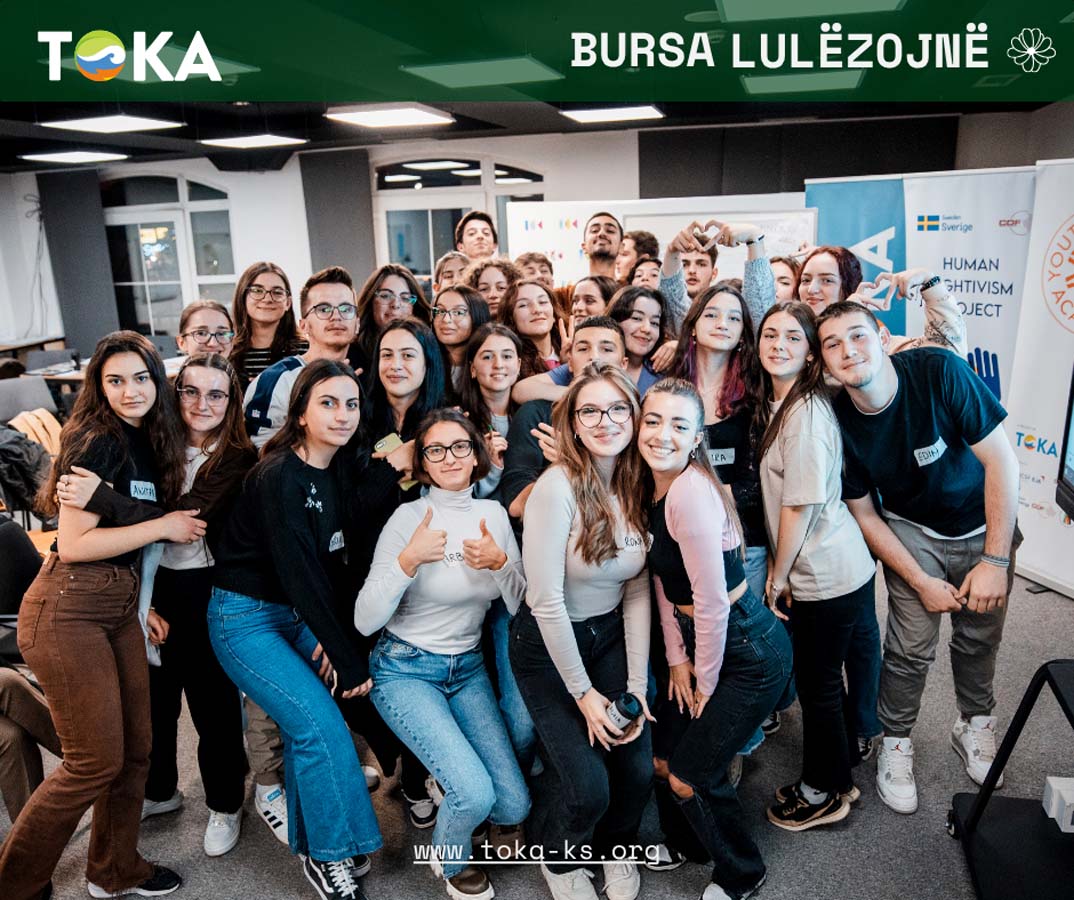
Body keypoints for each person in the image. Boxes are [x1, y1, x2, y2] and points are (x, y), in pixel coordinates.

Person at [0, 331, 205, 900]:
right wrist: (164, 526)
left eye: (140, 378)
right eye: (115, 380)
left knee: (135, 752)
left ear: (157, 381)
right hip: (69, 607)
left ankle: (113, 870)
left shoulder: (150, 437)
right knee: (92, 762)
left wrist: (144, 602)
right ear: (99, 386)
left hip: (117, 605)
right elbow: (75, 544)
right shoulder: (97, 441)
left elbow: (126, 526)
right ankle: (13, 884)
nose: (130, 390)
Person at [817, 301, 1020, 816]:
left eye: (858, 336)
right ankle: (896, 740)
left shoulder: (939, 370)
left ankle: (975, 722)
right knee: (909, 648)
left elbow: (1002, 460)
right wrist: (918, 579)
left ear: (883, 338)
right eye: (833, 344)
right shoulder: (837, 421)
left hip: (983, 520)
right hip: (912, 530)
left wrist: (995, 560)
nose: (848, 350)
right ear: (824, 362)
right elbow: (865, 515)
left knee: (978, 638)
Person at [59, 352, 256, 857]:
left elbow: (186, 519)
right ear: (175, 392)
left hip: (208, 586)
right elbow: (149, 525)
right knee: (155, 700)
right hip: (150, 583)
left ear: (231, 402)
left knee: (212, 703)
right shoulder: (152, 441)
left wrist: (102, 498)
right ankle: (161, 791)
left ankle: (226, 802)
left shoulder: (237, 456)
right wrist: (142, 597)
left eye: (216, 394)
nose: (202, 404)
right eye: (191, 391)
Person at [209, 360, 381, 900]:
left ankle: (326, 838)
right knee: (318, 727)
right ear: (301, 413)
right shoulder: (278, 474)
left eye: (351, 403)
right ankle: (327, 857)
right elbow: (300, 572)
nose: (342, 414)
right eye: (327, 403)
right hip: (244, 618)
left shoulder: (337, 467)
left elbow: (333, 564)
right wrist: (342, 652)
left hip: (294, 613)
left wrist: (331, 636)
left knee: (315, 726)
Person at [356, 409, 530, 900]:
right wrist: (408, 560)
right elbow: (365, 619)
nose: (449, 458)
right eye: (436, 450)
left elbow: (520, 605)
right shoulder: (407, 518)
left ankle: (447, 774)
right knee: (473, 795)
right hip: (404, 669)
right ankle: (451, 862)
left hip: (467, 669)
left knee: (513, 806)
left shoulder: (494, 515)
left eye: (460, 447)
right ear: (423, 463)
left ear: (476, 455)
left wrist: (500, 563)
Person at [639, 379, 791, 899]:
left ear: (696, 437)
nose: (662, 434)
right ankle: (691, 845)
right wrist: (676, 659)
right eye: (653, 420)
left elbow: (710, 602)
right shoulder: (651, 485)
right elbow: (663, 580)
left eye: (679, 425)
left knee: (690, 774)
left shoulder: (689, 491)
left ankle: (743, 873)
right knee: (664, 759)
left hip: (747, 649)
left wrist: (704, 680)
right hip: (703, 639)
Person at [510, 361, 653, 900]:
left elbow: (636, 587)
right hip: (547, 644)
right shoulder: (556, 488)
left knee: (636, 769)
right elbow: (546, 600)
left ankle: (618, 848)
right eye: (589, 411)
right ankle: (559, 856)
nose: (605, 421)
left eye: (617, 409)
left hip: (608, 634)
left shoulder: (639, 482)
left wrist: (635, 686)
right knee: (588, 785)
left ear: (634, 416)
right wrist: (584, 694)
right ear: (572, 423)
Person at [753, 303, 878, 833]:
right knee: (824, 681)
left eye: (793, 337)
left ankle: (821, 793)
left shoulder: (803, 414)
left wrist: (778, 577)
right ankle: (839, 774)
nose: (778, 344)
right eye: (770, 334)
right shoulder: (788, 402)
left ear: (810, 353)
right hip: (834, 564)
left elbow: (799, 505)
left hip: (825, 573)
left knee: (819, 685)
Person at [500, 318, 627, 530]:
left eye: (606, 349)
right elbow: (516, 505)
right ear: (570, 362)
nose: (594, 356)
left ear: (624, 364)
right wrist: (564, 472)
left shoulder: (634, 420)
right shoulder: (537, 414)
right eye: (583, 348)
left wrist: (576, 463)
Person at [245, 266, 360, 449]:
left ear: (357, 324)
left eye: (346, 309)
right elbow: (260, 453)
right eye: (323, 309)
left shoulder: (364, 376)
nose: (336, 317)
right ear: (304, 325)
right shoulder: (277, 380)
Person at [797, 251, 967, 356]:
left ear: (849, 289)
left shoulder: (874, 344)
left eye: (827, 280)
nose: (811, 289)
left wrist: (930, 282)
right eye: (805, 280)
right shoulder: (789, 341)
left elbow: (946, 353)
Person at [659, 221, 774, 333]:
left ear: (714, 273)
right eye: (684, 264)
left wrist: (754, 238)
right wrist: (672, 251)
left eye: (701, 264)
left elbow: (758, 315)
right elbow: (673, 300)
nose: (692, 270)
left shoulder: (736, 322)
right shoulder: (682, 323)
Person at [456, 324, 522, 502]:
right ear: (472, 369)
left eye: (507, 356)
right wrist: (491, 464)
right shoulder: (459, 421)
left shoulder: (530, 415)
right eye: (487, 357)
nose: (498, 365)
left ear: (518, 365)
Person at [350, 264, 433, 394]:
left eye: (405, 298)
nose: (396, 304)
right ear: (370, 300)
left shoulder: (429, 349)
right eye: (385, 296)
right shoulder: (351, 355)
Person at [229, 262, 304, 388]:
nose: (267, 299)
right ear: (243, 297)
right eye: (257, 291)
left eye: (277, 292)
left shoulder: (305, 351)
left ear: (288, 303)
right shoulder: (227, 350)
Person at [431, 286, 490, 393]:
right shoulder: (425, 363)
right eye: (440, 311)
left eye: (458, 312)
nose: (446, 319)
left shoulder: (489, 365)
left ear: (476, 316)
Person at [497, 280, 561, 377]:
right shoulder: (508, 364)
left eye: (542, 302)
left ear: (554, 314)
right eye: (523, 305)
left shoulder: (573, 353)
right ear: (511, 318)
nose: (537, 310)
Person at [581, 212, 623, 279]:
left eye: (610, 231)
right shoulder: (575, 286)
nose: (602, 233)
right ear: (584, 247)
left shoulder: (633, 285)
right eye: (594, 230)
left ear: (621, 247)